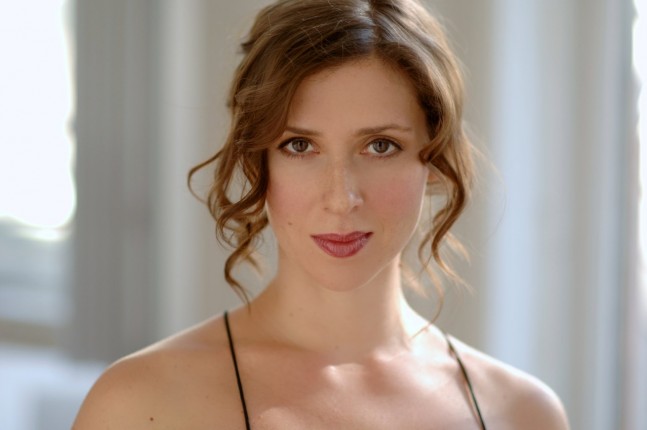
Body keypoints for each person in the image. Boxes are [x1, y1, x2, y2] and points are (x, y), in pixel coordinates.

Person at [73, 0, 570, 428]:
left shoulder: (522, 413)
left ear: (435, 160)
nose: (341, 198)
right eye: (299, 145)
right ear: (257, 160)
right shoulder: (140, 405)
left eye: (380, 145)